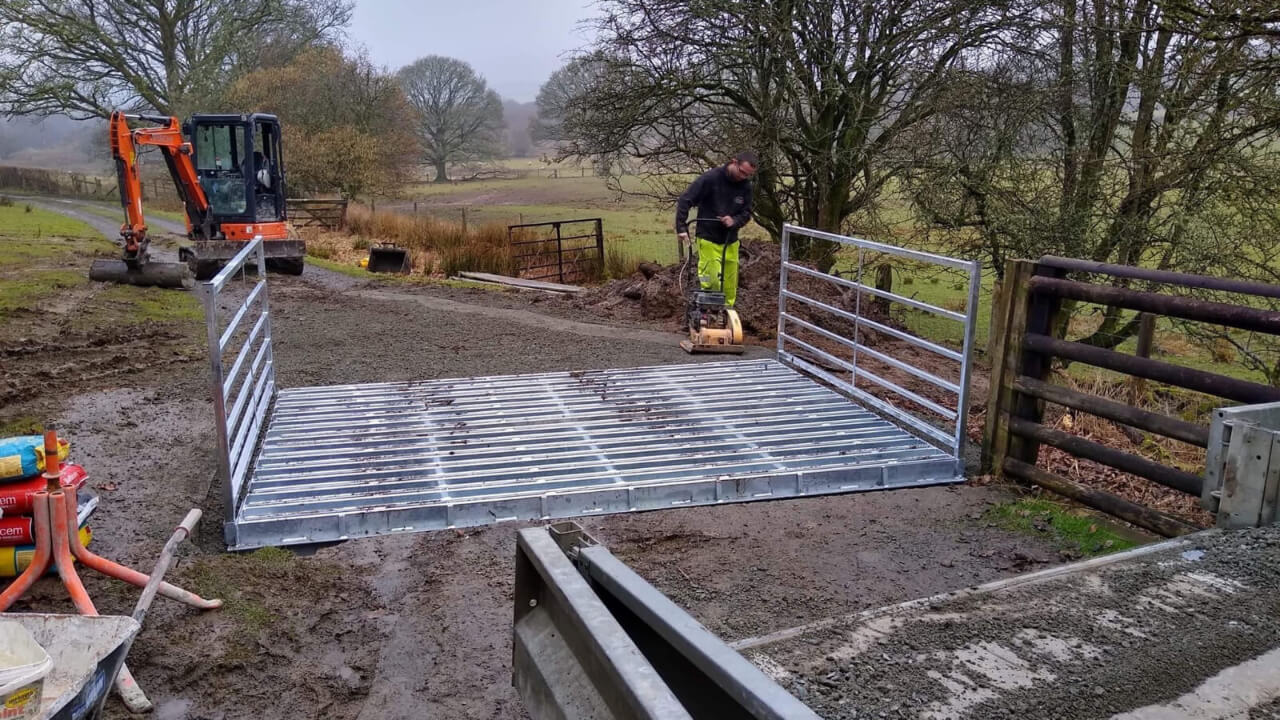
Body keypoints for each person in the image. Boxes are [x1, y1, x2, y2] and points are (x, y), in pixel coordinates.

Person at [674, 151, 757, 311]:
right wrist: (681, 227)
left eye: (747, 175)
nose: (743, 177)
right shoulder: (711, 178)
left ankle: (726, 314)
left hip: (730, 240)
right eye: (741, 172)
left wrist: (734, 221)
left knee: (730, 284)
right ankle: (706, 312)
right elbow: (686, 199)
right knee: (711, 280)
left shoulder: (746, 187)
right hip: (708, 236)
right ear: (734, 162)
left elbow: (747, 213)